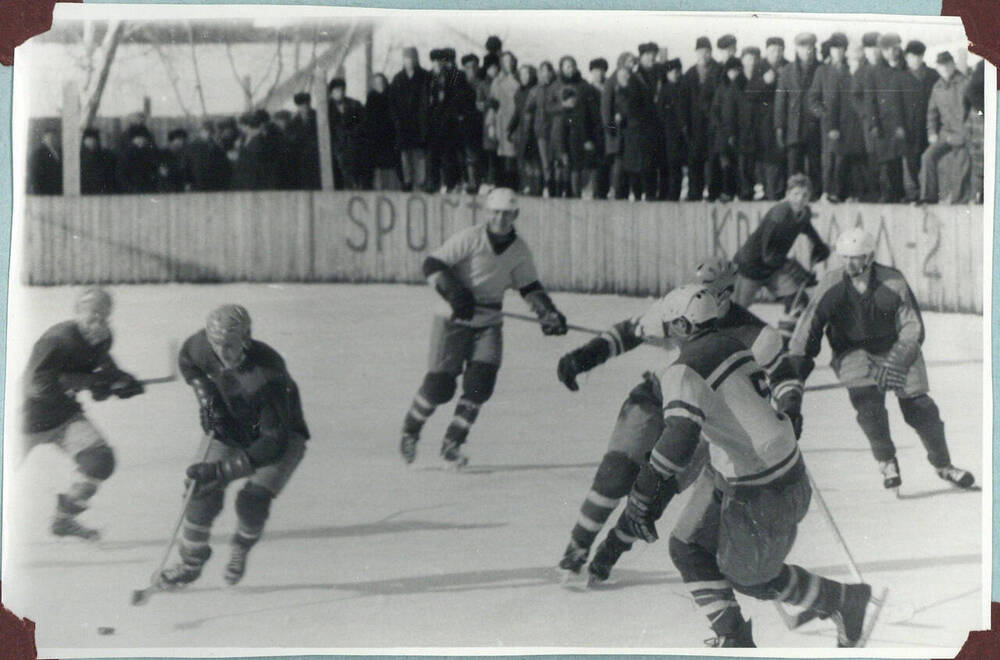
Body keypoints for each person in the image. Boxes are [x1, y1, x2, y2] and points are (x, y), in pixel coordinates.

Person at [621, 285, 882, 648]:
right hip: (769, 475)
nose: (667, 336)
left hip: (762, 489)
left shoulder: (682, 369)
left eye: (670, 327)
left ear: (682, 325)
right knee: (687, 548)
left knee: (750, 577)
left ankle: (842, 601)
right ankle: (733, 635)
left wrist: (643, 491)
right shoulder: (734, 345)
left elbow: (680, 435)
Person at [557, 258, 784, 586]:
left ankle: (610, 551)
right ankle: (578, 546)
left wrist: (788, 406)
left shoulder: (758, 335)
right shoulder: (683, 307)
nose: (701, 296)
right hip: (655, 399)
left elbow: (781, 377)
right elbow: (631, 331)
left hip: (705, 423)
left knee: (654, 494)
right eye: (699, 287)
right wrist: (585, 356)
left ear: (727, 294)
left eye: (711, 291)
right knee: (617, 473)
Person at [772, 228, 975, 494]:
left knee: (920, 408)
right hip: (852, 351)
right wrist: (795, 372)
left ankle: (943, 464)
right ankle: (886, 460)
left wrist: (898, 359)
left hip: (895, 347)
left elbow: (912, 326)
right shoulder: (832, 284)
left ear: (869, 256)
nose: (849, 263)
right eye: (844, 257)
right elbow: (808, 328)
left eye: (856, 258)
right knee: (868, 404)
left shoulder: (892, 281)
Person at [398, 187, 567, 467]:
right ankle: (410, 430)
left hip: (488, 322)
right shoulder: (470, 238)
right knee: (440, 385)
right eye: (496, 213)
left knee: (480, 384)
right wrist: (453, 291)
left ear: (516, 215)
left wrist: (547, 312)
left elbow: (529, 286)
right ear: (488, 213)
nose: (501, 219)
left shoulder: (519, 250)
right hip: (453, 319)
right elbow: (432, 264)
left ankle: (453, 442)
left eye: (507, 214)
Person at [157, 304, 310, 589]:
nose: (221, 353)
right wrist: (207, 398)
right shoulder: (202, 346)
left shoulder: (266, 375)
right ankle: (191, 562)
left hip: (281, 437)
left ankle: (241, 546)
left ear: (246, 339)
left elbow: (272, 443)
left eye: (230, 345)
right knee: (200, 489)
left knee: (252, 501)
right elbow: (189, 360)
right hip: (232, 427)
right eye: (216, 344)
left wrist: (222, 470)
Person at [19, 288, 144, 540]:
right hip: (24, 419)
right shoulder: (56, 340)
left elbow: (102, 363)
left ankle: (64, 519)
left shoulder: (102, 337)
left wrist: (120, 380)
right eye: (90, 314)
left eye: (103, 315)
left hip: (64, 416)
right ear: (77, 313)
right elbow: (37, 386)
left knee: (100, 461)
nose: (96, 321)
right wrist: (91, 381)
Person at [732, 174, 830, 346]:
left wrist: (820, 247)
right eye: (796, 194)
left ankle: (784, 344)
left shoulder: (804, 212)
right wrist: (796, 269)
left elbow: (806, 227)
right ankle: (725, 345)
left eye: (805, 195)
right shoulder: (779, 214)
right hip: (752, 266)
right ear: (787, 194)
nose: (800, 199)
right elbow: (767, 255)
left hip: (773, 267)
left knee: (797, 302)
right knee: (736, 311)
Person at [808, 32, 865, 203]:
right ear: (830, 50)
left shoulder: (851, 70)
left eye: (841, 48)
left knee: (846, 162)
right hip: (829, 126)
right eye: (834, 48)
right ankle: (827, 193)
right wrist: (824, 117)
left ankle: (844, 195)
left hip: (850, 126)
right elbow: (813, 99)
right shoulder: (822, 71)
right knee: (829, 161)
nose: (838, 52)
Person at [775, 32, 822, 199]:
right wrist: (780, 127)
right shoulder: (787, 71)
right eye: (803, 47)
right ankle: (793, 197)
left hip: (815, 127)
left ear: (814, 48)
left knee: (816, 164)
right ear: (797, 49)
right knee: (794, 167)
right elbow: (781, 101)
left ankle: (815, 196)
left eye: (809, 47)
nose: (806, 51)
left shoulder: (821, 68)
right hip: (793, 127)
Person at [919, 51, 969, 205]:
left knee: (962, 163)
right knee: (927, 157)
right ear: (938, 68)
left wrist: (967, 133)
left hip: (964, 134)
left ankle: (959, 200)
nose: (945, 68)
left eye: (948, 64)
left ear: (953, 64)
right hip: (945, 135)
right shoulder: (937, 87)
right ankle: (928, 197)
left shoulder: (965, 83)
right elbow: (931, 114)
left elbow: (977, 111)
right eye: (941, 66)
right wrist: (932, 133)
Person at [864, 33, 909, 203]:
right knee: (886, 162)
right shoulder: (874, 71)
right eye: (888, 49)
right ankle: (887, 194)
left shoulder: (904, 68)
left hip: (902, 124)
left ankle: (902, 194)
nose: (892, 52)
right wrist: (874, 123)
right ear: (882, 51)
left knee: (901, 161)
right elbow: (870, 100)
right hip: (883, 125)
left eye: (895, 48)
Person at [620, 42, 661, 200]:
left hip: (653, 130)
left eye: (653, 55)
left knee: (651, 169)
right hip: (638, 131)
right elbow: (631, 106)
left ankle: (650, 196)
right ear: (641, 57)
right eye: (648, 55)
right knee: (637, 169)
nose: (651, 58)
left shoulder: (658, 74)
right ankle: (637, 196)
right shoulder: (635, 78)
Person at [683, 37, 723, 201]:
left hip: (713, 124)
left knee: (714, 160)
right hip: (695, 126)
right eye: (701, 51)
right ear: (696, 52)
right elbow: (683, 101)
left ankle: (714, 193)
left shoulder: (719, 70)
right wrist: (685, 124)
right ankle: (694, 193)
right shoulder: (690, 73)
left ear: (711, 52)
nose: (704, 55)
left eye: (707, 51)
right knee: (695, 160)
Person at [750, 36, 788, 200]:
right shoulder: (759, 66)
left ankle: (778, 192)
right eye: (773, 50)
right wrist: (764, 82)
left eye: (780, 50)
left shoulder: (787, 66)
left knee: (781, 157)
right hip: (763, 121)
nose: (777, 54)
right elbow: (749, 92)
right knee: (765, 158)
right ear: (766, 51)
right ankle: (766, 191)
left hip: (783, 120)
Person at [901, 41, 939, 201]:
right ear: (906, 58)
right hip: (909, 126)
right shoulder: (901, 76)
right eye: (911, 57)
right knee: (912, 160)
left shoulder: (932, 75)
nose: (915, 60)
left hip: (928, 125)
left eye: (918, 56)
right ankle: (915, 192)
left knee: (929, 158)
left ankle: (930, 192)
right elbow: (897, 104)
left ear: (922, 56)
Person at [389, 47, 431, 192]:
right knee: (405, 154)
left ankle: (421, 181)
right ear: (403, 60)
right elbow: (392, 102)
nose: (409, 61)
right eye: (407, 58)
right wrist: (396, 120)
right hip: (403, 122)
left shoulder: (424, 76)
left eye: (412, 58)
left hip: (420, 122)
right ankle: (407, 181)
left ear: (416, 59)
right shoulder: (398, 78)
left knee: (419, 154)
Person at [710, 56, 745, 202]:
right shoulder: (722, 88)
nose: (734, 74)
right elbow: (715, 110)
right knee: (725, 164)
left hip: (739, 133)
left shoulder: (743, 86)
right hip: (723, 134)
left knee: (739, 164)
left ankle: (739, 191)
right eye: (731, 71)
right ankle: (725, 191)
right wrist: (721, 128)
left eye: (737, 71)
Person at [655, 58, 687, 201]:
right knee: (665, 166)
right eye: (672, 72)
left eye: (677, 71)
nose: (675, 74)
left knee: (675, 166)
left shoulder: (683, 88)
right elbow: (660, 112)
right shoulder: (665, 89)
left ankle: (674, 194)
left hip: (677, 134)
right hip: (665, 133)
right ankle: (664, 193)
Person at [327, 77, 367, 190]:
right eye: (336, 91)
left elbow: (364, 122)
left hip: (354, 146)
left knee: (356, 174)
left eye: (341, 90)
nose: (339, 93)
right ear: (331, 93)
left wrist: (354, 133)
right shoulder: (327, 108)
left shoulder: (354, 104)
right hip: (336, 147)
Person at [489, 51, 522, 189]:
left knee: (513, 153)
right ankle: (501, 185)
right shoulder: (497, 81)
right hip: (501, 120)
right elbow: (492, 104)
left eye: (510, 60)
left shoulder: (520, 78)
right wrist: (490, 124)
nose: (508, 63)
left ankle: (513, 185)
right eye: (505, 61)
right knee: (501, 153)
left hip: (516, 119)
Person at [366, 73, 401, 191]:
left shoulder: (391, 97)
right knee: (378, 169)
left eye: (381, 82)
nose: (379, 85)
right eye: (376, 83)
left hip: (390, 138)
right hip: (376, 141)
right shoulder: (371, 100)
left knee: (392, 167)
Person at [582, 58, 610, 199]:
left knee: (605, 168)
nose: (599, 74)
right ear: (591, 72)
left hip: (606, 135)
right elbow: (582, 118)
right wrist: (586, 138)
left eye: (602, 71)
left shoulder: (608, 89)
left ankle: (602, 195)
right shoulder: (586, 90)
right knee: (594, 169)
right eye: (596, 71)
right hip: (592, 135)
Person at [232, 112, 279, 191]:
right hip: (254, 180)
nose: (241, 130)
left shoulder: (258, 140)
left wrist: (240, 149)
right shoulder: (255, 138)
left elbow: (253, 160)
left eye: (242, 127)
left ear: (247, 126)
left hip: (256, 182)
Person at [185, 121, 232, 192]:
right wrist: (188, 182)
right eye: (206, 131)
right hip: (198, 182)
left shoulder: (217, 147)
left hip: (214, 183)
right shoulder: (192, 146)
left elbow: (224, 165)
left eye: (210, 131)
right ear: (200, 131)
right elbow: (187, 166)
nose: (208, 133)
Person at [288, 92, 321, 190]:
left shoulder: (318, 117)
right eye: (301, 105)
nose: (304, 108)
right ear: (297, 106)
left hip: (316, 158)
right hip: (301, 160)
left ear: (309, 104)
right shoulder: (293, 121)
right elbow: (290, 139)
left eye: (306, 104)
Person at [117, 124, 161, 193]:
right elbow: (121, 175)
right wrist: (131, 189)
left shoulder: (152, 153)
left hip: (150, 189)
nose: (141, 140)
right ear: (132, 140)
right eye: (138, 138)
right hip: (131, 190)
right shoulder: (126, 155)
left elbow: (156, 171)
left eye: (143, 138)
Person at [79, 127, 117, 195]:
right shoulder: (80, 157)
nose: (92, 142)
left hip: (103, 191)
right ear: (84, 141)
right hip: (86, 192)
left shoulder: (106, 156)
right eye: (89, 139)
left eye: (94, 139)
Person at [27, 126, 63, 195]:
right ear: (44, 138)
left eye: (54, 136)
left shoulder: (61, 152)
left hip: (59, 192)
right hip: (45, 192)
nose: (52, 139)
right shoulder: (38, 153)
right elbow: (35, 177)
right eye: (49, 137)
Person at [158, 128, 192, 193]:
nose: (181, 142)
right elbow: (162, 172)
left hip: (181, 186)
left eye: (183, 140)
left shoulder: (185, 153)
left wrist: (188, 183)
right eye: (179, 139)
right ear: (172, 140)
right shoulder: (163, 153)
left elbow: (187, 170)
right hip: (167, 187)